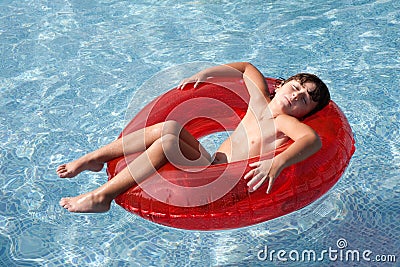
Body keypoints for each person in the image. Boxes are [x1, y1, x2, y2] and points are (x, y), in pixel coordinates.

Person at [57, 62, 330, 213]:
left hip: (223, 182)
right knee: (170, 126)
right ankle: (93, 159)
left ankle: (102, 196)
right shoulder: (259, 100)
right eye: (295, 88)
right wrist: (209, 73)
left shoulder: (284, 122)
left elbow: (312, 140)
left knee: (167, 142)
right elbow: (247, 68)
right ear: (281, 85)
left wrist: (278, 161)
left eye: (304, 100)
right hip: (212, 164)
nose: (295, 96)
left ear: (306, 113)